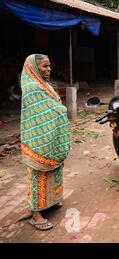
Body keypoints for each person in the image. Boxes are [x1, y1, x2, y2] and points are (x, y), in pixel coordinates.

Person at [20, 54, 72, 230]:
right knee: (38, 176)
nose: (49, 69)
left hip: (51, 137)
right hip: (38, 140)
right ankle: (36, 215)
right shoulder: (32, 87)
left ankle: (50, 202)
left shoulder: (44, 84)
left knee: (54, 172)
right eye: (44, 66)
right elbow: (44, 111)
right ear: (34, 68)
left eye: (49, 66)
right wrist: (61, 110)